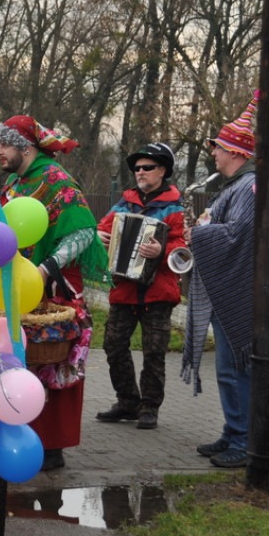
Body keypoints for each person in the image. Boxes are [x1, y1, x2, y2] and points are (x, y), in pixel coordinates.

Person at [182, 91, 269, 468]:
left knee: (237, 367)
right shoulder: (238, 186)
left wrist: (200, 235)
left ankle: (245, 441)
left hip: (248, 297)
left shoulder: (251, 186)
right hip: (240, 294)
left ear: (236, 152)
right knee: (228, 368)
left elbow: (242, 233)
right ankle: (233, 431)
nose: (213, 154)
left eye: (218, 148)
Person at [0, 115, 109, 471]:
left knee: (51, 362)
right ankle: (16, 430)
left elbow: (83, 232)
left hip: (53, 289)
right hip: (14, 288)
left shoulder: (57, 179)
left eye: (4, 144)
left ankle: (51, 445)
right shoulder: (13, 182)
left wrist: (45, 270)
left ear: (25, 147)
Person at [95, 143, 186, 429]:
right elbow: (103, 227)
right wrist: (99, 236)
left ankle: (149, 408)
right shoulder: (125, 201)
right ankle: (128, 402)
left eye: (147, 167)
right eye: (137, 168)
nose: (140, 172)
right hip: (124, 290)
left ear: (162, 171)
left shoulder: (176, 206)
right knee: (113, 346)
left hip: (158, 292)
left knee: (154, 352)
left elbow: (181, 248)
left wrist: (161, 250)